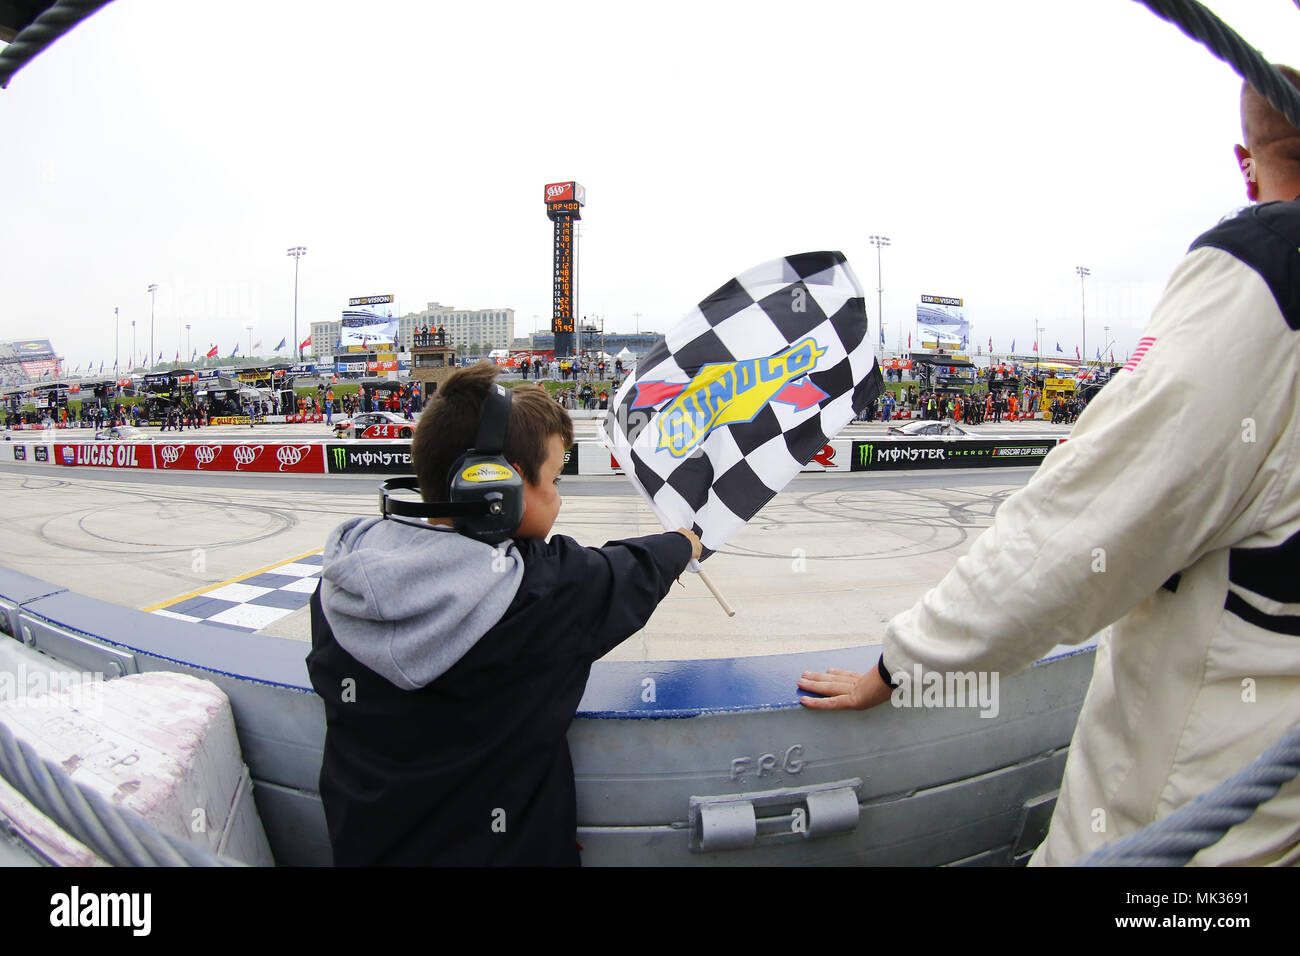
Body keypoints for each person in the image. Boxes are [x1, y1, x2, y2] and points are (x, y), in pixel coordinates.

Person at [798, 64, 1300, 866]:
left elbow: (1078, 525)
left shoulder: (1270, 272)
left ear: (1245, 162)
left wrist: (905, 662)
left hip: (1191, 817)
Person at [306, 361, 702, 865]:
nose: (558, 498)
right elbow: (633, 569)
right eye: (555, 479)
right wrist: (684, 542)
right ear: (493, 489)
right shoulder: (543, 592)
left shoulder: (340, 579)